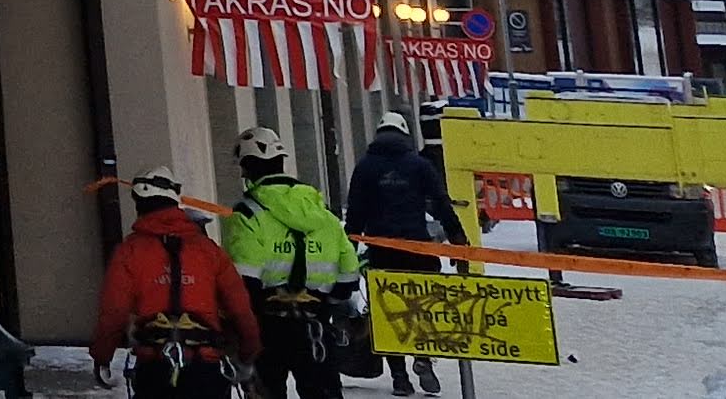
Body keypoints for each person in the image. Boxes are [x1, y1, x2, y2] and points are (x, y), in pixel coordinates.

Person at [93, 166, 262, 396]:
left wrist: (102, 356)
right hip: (205, 368)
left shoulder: (129, 251)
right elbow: (239, 307)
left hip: (155, 369)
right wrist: (248, 351)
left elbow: (113, 311)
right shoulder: (208, 251)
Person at [221, 127, 361, 399]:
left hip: (269, 330)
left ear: (248, 168)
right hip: (315, 329)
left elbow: (242, 285)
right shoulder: (323, 214)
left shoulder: (248, 214)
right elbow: (347, 283)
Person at [342, 113, 465, 395]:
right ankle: (422, 357)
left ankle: (399, 377)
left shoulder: (365, 167)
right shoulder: (419, 165)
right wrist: (458, 238)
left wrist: (347, 251)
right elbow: (441, 202)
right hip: (418, 250)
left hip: (382, 253)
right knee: (423, 305)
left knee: (388, 311)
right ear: (405, 135)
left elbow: (356, 214)